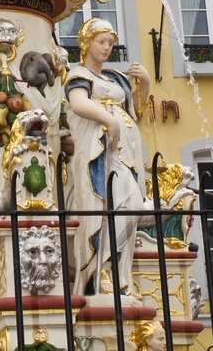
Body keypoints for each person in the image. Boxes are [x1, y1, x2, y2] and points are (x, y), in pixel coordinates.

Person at [65, 17, 150, 301]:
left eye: (110, 43)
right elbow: (78, 103)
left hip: (125, 154)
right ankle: (97, 272)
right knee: (111, 208)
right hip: (99, 154)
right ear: (86, 44)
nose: (106, 48)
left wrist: (146, 84)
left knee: (131, 207)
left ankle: (115, 274)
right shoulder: (78, 74)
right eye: (101, 42)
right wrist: (108, 120)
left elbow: (137, 109)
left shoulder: (116, 78)